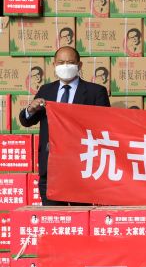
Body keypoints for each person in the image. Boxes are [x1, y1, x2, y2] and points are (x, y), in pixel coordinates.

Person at [19, 46, 110, 205]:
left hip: (82, 170)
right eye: (61, 63)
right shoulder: (46, 90)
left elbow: (106, 127)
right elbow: (26, 121)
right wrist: (30, 109)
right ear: (54, 65)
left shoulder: (95, 92)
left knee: (80, 218)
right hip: (51, 170)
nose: (65, 66)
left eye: (70, 62)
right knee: (54, 217)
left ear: (79, 65)